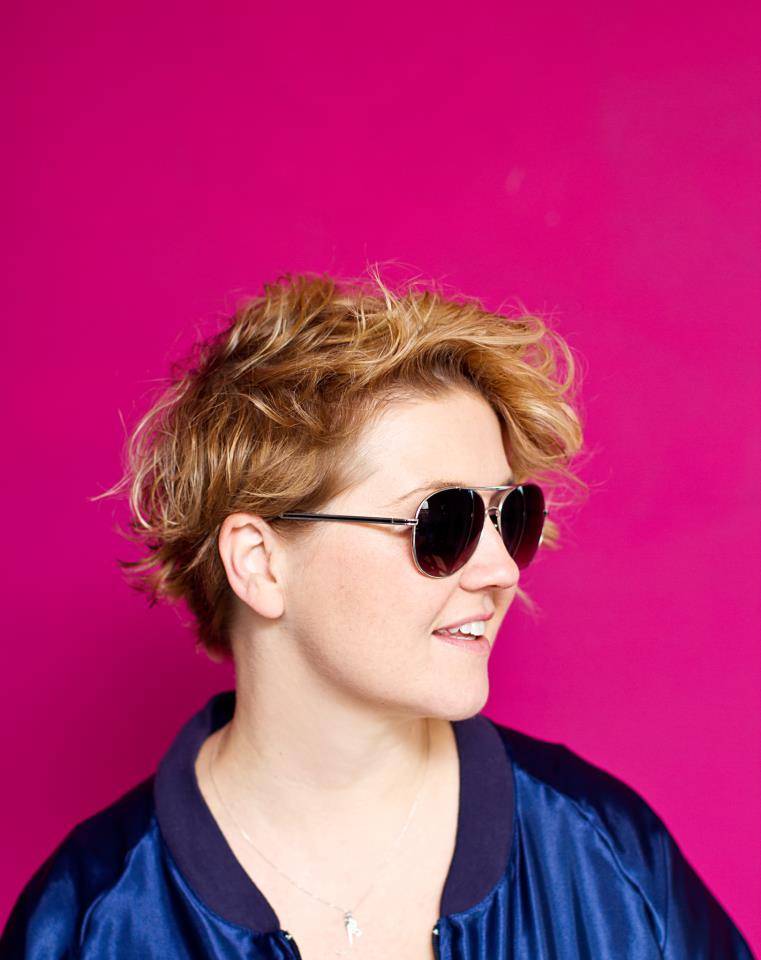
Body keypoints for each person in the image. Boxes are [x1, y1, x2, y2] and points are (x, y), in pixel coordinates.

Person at [1, 272, 754, 959]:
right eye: (443, 521)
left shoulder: (604, 855)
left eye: (510, 516)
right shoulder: (86, 925)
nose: (499, 570)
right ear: (260, 563)